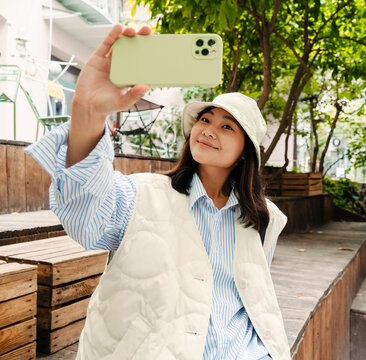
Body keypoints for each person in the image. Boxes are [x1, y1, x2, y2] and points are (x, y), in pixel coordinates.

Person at [25, 24, 290, 360]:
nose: (208, 131)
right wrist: (88, 112)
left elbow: (256, 301)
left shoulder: (264, 219)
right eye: (205, 120)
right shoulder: (141, 193)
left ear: (244, 154)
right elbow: (87, 218)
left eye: (226, 127)